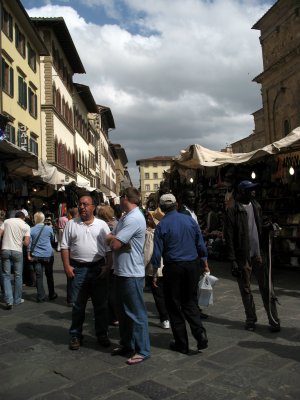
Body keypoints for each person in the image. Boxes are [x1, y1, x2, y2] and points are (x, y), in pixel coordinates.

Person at [151, 193, 209, 354]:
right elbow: (200, 244)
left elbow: (157, 253)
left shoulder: (162, 225)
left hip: (173, 267)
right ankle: (199, 332)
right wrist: (204, 262)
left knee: (174, 305)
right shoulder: (190, 220)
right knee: (189, 301)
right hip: (192, 266)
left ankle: (181, 343)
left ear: (162, 209)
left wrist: (155, 272)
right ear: (176, 205)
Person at [224, 180, 280, 332]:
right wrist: (233, 260)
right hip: (243, 258)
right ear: (242, 192)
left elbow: (258, 226)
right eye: (250, 190)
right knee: (246, 290)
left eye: (254, 190)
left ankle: (273, 319)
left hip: (259, 255)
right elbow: (228, 236)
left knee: (267, 288)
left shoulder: (256, 206)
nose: (254, 192)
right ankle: (251, 319)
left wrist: (268, 227)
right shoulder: (232, 210)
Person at [61, 193, 112, 350]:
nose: (82, 207)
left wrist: (107, 266)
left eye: (85, 204)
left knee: (101, 305)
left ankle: (102, 334)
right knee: (78, 305)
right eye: (80, 204)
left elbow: (109, 249)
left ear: (93, 207)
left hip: (98, 268)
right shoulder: (71, 224)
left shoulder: (102, 225)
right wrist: (67, 267)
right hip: (79, 269)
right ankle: (76, 335)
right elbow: (64, 247)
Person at [107, 187, 150, 365]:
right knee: (123, 312)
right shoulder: (125, 217)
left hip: (131, 273)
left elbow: (114, 243)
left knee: (137, 313)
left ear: (125, 197)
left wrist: (111, 239)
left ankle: (143, 350)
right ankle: (127, 344)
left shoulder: (133, 218)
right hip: (121, 271)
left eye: (120, 198)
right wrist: (114, 238)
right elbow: (114, 238)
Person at [178, 189, 209, 319]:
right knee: (191, 283)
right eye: (189, 197)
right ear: (184, 199)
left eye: (193, 197)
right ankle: (192, 309)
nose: (193, 199)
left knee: (193, 282)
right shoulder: (184, 213)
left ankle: (194, 308)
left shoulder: (191, 211)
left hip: (194, 251)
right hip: (190, 252)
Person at [144, 207, 170, 329]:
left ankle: (164, 318)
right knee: (166, 294)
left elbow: (148, 253)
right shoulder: (165, 231)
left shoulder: (150, 233)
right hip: (166, 266)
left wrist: (141, 267)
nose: (147, 218)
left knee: (158, 295)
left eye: (149, 217)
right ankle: (168, 316)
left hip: (155, 268)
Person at [0, 211, 30, 309]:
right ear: (23, 217)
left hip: (5, 249)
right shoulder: (26, 225)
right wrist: (19, 240)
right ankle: (17, 299)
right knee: (18, 275)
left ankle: (9, 300)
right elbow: (26, 243)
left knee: (6, 275)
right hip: (17, 251)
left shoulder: (7, 221)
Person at [27, 212, 57, 302]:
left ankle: (40, 296)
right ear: (43, 219)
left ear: (34, 219)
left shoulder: (31, 229)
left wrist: (28, 254)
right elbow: (52, 239)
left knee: (39, 276)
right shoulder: (49, 228)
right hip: (48, 254)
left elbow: (29, 244)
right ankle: (52, 294)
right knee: (49, 275)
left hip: (36, 255)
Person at [97, 205, 119, 326]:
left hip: (105, 260)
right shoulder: (117, 224)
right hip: (116, 261)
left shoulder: (100, 225)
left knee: (107, 291)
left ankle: (112, 316)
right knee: (112, 290)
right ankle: (114, 315)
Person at [66, 207, 79, 306]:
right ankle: (73, 298)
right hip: (72, 254)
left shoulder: (70, 223)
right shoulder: (72, 223)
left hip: (71, 253)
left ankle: (71, 298)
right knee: (72, 277)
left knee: (71, 278)